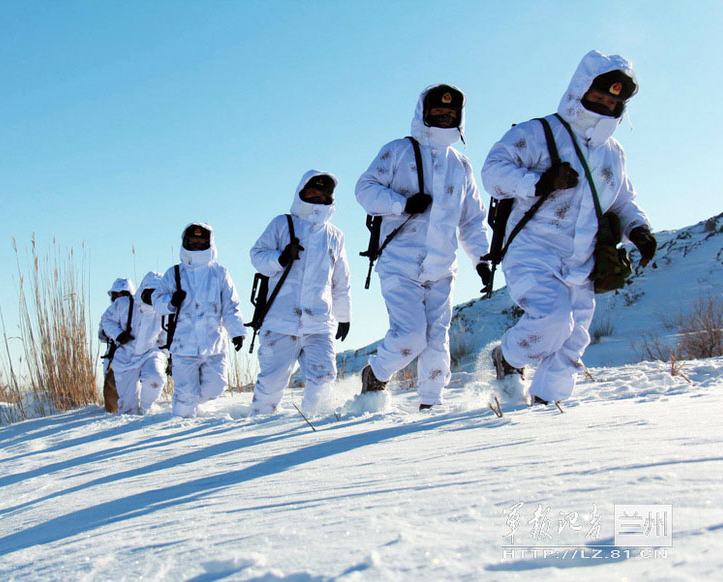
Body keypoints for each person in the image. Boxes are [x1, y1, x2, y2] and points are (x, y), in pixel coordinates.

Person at [481, 50, 656, 405]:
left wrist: (638, 230)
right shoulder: (538, 132)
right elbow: (492, 172)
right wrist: (540, 182)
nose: (605, 104)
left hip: (583, 258)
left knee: (576, 338)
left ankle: (549, 405)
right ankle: (508, 358)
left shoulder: (613, 152)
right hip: (533, 249)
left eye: (613, 100)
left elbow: (622, 200)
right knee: (553, 319)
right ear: (580, 90)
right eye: (599, 96)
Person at [355, 84, 490, 410]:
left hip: (443, 266)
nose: (444, 118)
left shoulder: (461, 165)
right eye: (437, 113)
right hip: (400, 262)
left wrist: (482, 260)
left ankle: (431, 402)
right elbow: (365, 189)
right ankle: (375, 373)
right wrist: (402, 203)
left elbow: (472, 219)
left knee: (436, 340)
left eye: (451, 114)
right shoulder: (398, 151)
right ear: (424, 114)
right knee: (410, 336)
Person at [248, 170, 352, 416]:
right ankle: (258, 425)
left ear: (330, 199)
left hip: (319, 322)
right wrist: (281, 258)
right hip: (280, 320)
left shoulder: (335, 235)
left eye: (322, 194)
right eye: (311, 192)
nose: (317, 198)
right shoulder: (281, 224)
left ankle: (310, 425)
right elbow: (257, 256)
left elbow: (341, 281)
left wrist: (344, 316)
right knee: (271, 382)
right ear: (301, 193)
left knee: (324, 376)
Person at [153, 223, 247, 418]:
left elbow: (230, 305)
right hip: (183, 345)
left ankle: (195, 404)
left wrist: (237, 331)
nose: (196, 246)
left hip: (214, 344)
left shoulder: (219, 273)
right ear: (185, 243)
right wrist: (170, 301)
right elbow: (156, 302)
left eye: (200, 242)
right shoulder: (174, 273)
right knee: (186, 391)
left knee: (216, 386)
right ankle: (181, 426)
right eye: (192, 242)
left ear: (209, 244)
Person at [99, 271, 168, 415]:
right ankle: (131, 423)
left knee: (155, 379)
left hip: (150, 353)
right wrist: (119, 335)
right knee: (128, 407)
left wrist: (171, 356)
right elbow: (106, 320)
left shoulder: (163, 311)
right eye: (149, 292)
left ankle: (146, 409)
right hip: (125, 356)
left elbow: (166, 336)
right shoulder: (123, 305)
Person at [98, 278, 134, 413]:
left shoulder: (137, 310)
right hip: (114, 354)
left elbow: (101, 334)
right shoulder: (111, 313)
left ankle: (124, 411)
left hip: (124, 354)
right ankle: (117, 411)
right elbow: (102, 334)